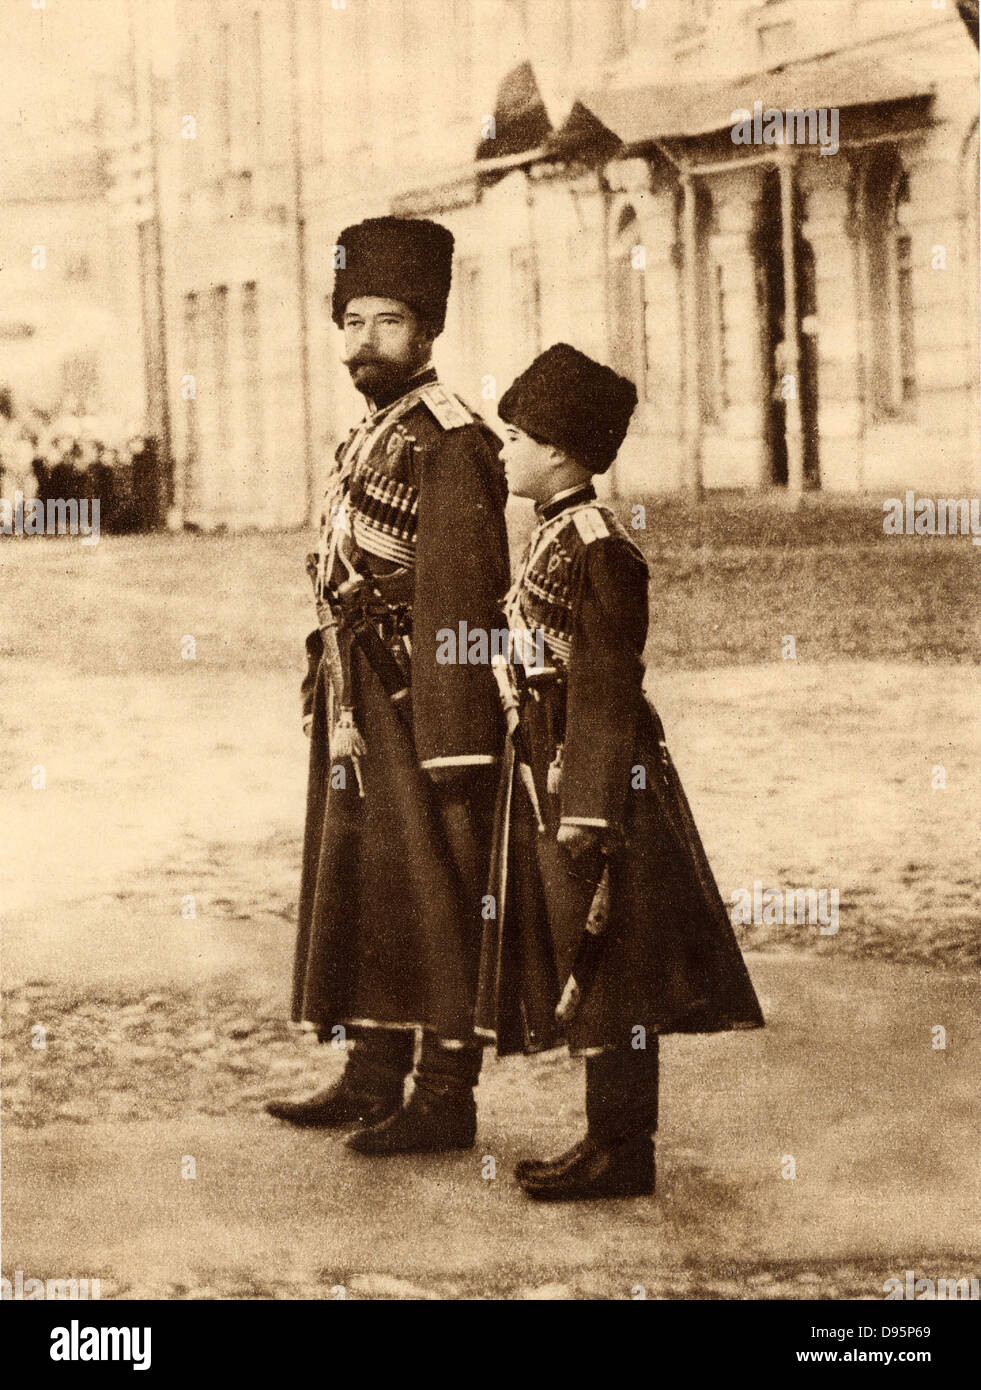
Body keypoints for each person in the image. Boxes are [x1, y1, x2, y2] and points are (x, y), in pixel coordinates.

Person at [476, 343, 765, 1201]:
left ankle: (623, 1149)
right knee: (591, 961)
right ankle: (606, 1137)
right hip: (554, 771)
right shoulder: (553, 535)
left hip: (602, 789)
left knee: (618, 965)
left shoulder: (599, 546)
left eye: (517, 438)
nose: (503, 452)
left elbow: (604, 685)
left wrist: (589, 809)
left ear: (561, 451)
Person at [266, 216, 510, 1154]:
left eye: (388, 322)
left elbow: (461, 590)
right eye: (353, 321)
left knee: (436, 887)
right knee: (367, 881)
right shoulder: (371, 434)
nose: (365, 341)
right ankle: (372, 1075)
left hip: (419, 699)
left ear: (430, 331)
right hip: (355, 692)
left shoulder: (449, 440)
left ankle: (445, 1094)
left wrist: (452, 738)